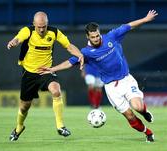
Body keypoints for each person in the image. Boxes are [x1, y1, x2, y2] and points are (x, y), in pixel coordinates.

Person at [38, 10, 158, 142]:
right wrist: (53, 69)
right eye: (93, 37)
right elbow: (70, 62)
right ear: (87, 37)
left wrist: (145, 19)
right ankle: (148, 133)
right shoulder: (86, 52)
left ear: (100, 33)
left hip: (126, 79)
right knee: (129, 116)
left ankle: (145, 112)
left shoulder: (112, 36)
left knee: (138, 107)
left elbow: (129, 25)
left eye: (97, 35)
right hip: (111, 88)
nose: (96, 39)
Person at [7, 11, 84, 141]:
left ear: (47, 24)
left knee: (56, 90)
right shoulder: (28, 31)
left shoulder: (54, 32)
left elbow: (69, 46)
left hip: (46, 71)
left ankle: (60, 126)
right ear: (34, 24)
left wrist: (80, 54)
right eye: (39, 27)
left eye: (44, 26)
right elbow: (18, 38)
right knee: (24, 106)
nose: (42, 30)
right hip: (29, 73)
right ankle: (19, 127)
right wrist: (14, 42)